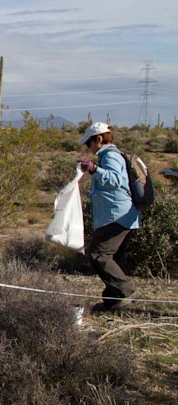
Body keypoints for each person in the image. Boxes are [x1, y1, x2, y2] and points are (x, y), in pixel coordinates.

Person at [78, 122, 141, 310]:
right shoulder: (110, 156)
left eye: (89, 143)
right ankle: (113, 302)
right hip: (120, 215)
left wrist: (94, 169)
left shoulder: (110, 156)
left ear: (98, 139)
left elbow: (115, 180)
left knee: (99, 254)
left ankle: (127, 291)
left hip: (117, 215)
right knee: (112, 258)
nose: (88, 148)